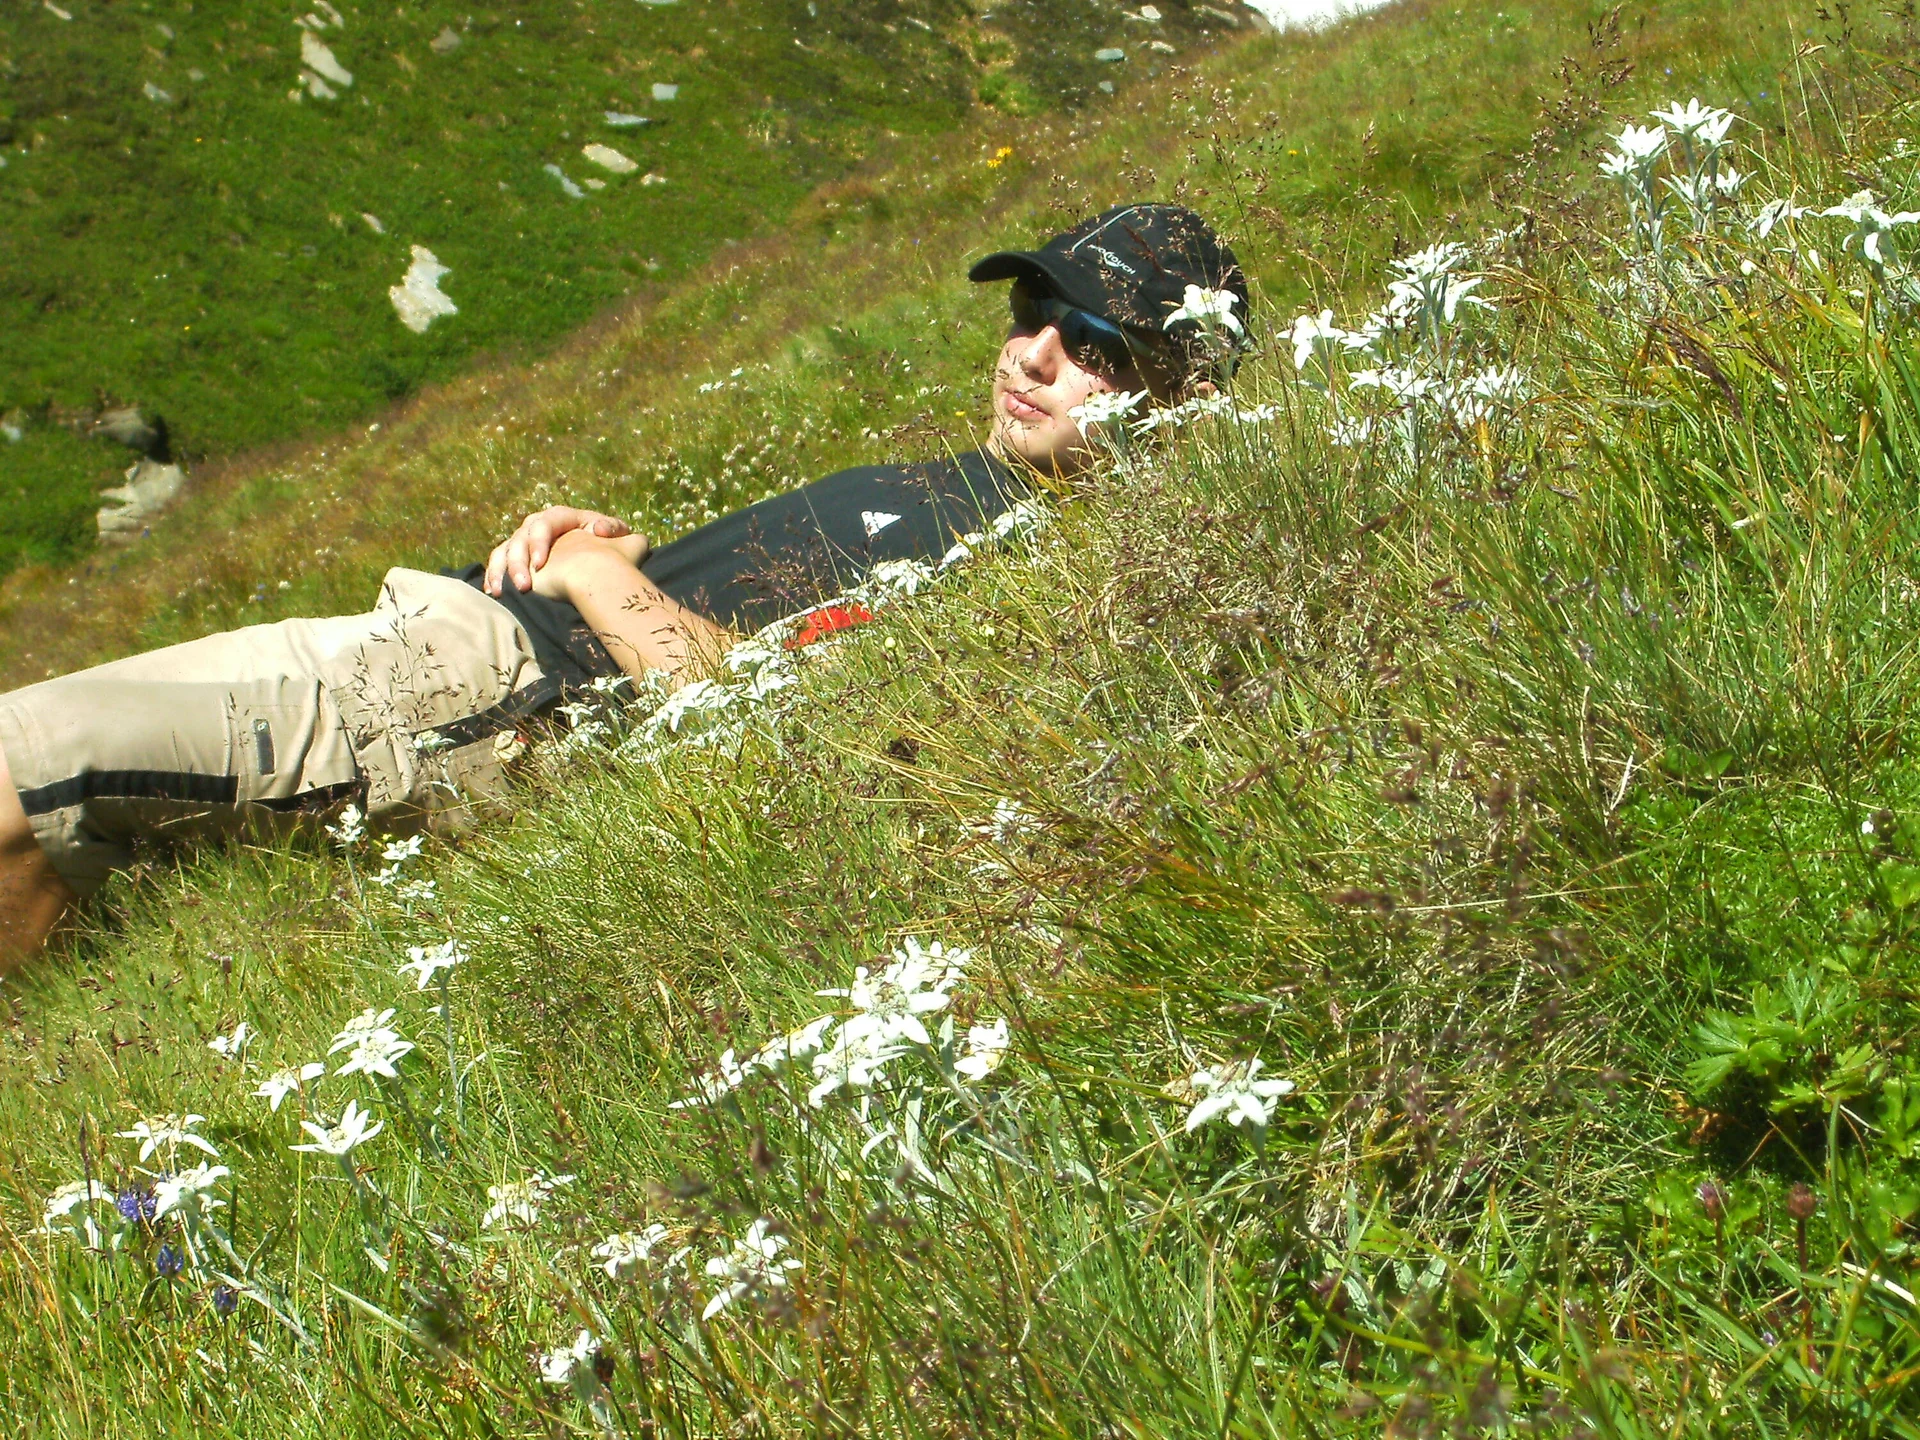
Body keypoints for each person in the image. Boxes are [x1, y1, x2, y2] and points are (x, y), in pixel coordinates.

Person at [0, 203, 1247, 963]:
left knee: (18, 775)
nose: (1031, 350)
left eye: (1093, 344)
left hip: (471, 704)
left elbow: (741, 706)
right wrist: (617, 546)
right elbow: (761, 612)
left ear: (1184, 394)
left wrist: (593, 576)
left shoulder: (1025, 567)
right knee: (77, 847)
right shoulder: (958, 485)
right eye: (1034, 304)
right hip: (446, 637)